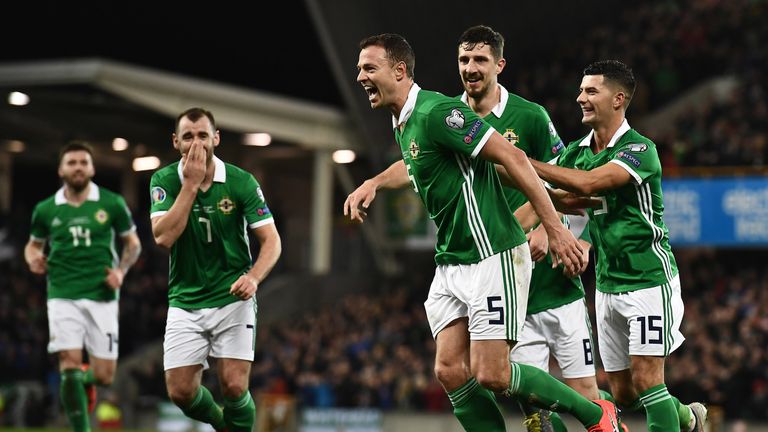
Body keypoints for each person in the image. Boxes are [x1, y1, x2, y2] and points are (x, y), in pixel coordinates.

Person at [345, 33, 619, 432]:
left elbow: (514, 158)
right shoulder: (405, 120)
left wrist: (555, 229)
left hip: (493, 254)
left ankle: (597, 415)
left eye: (369, 68)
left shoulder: (440, 113)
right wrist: (375, 182)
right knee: (449, 370)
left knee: (492, 373)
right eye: (358, 69)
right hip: (452, 260)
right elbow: (415, 159)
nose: (360, 77)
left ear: (399, 71)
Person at [454, 25, 623, 432]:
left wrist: (555, 232)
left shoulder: (528, 116)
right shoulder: (448, 119)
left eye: (480, 59)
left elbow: (562, 182)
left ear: (499, 64)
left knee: (586, 395)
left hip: (555, 284)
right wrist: (374, 181)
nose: (471, 67)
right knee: (536, 415)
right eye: (464, 59)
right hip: (508, 290)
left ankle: (621, 420)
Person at [527, 60, 707, 432]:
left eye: (591, 91)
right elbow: (546, 194)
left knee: (648, 381)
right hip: (608, 284)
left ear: (618, 99)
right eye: (581, 90)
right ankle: (688, 416)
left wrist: (524, 161)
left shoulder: (640, 149)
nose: (581, 98)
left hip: (649, 280)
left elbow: (588, 184)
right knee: (624, 393)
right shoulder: (577, 152)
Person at [150, 107, 282, 432]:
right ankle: (224, 425)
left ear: (216, 138)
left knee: (235, 385)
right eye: (188, 136)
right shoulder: (164, 179)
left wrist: (253, 277)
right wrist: (191, 185)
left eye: (203, 135)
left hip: (231, 298)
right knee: (180, 392)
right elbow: (164, 237)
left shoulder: (241, 182)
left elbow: (272, 242)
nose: (197, 143)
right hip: (185, 299)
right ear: (176, 142)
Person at [25, 141, 142, 432]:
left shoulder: (112, 203)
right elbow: (33, 246)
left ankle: (85, 380)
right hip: (62, 293)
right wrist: (33, 259)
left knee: (104, 376)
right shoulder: (45, 209)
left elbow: (133, 244)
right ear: (61, 169)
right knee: (68, 364)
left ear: (91, 168)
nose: (78, 167)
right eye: (72, 162)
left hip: (102, 294)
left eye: (83, 162)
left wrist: (121, 271)